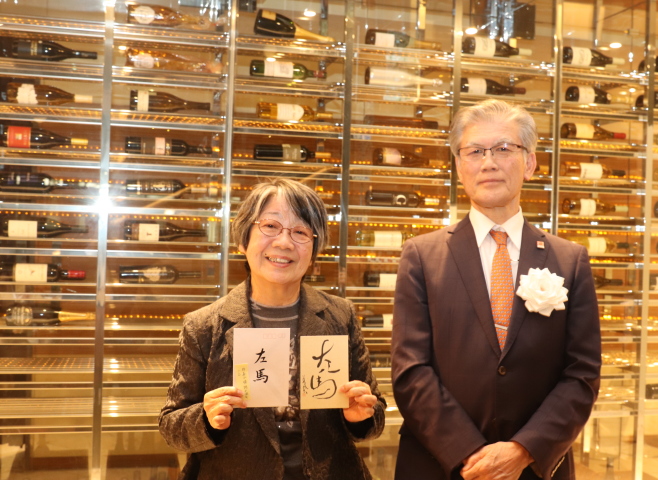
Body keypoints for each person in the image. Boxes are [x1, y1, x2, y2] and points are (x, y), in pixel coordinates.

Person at [391, 99, 601, 480]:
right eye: (474, 151)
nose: (488, 162)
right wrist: (470, 454)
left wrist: (523, 451)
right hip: (440, 465)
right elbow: (410, 371)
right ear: (459, 166)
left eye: (504, 148)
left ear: (530, 163)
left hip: (533, 469)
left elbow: (582, 374)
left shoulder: (570, 261)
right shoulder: (421, 256)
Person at [159, 178, 385, 480]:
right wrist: (206, 418)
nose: (284, 242)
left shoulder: (340, 316)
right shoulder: (204, 326)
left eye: (300, 232)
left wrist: (361, 417)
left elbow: (375, 411)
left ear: (314, 250)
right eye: (270, 226)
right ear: (243, 240)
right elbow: (171, 425)